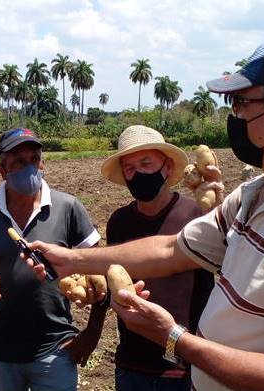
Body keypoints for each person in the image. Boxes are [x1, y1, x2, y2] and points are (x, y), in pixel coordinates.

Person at [26, 39, 264, 391]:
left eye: (243, 104)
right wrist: (72, 260)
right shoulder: (254, 195)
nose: (235, 117)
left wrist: (173, 338)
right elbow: (173, 250)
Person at [0, 128, 102, 391]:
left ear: (43, 162)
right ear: (1, 169)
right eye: (18, 162)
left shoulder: (68, 207)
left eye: (34, 159)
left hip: (56, 348)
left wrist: (91, 334)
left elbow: (101, 274)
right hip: (0, 352)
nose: (29, 168)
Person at [93, 125, 219, 391]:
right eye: (129, 168)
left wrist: (220, 214)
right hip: (131, 362)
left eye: (145, 162)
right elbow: (115, 285)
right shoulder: (119, 222)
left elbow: (229, 266)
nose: (137, 172)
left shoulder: (197, 214)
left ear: (167, 166)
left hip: (182, 364)